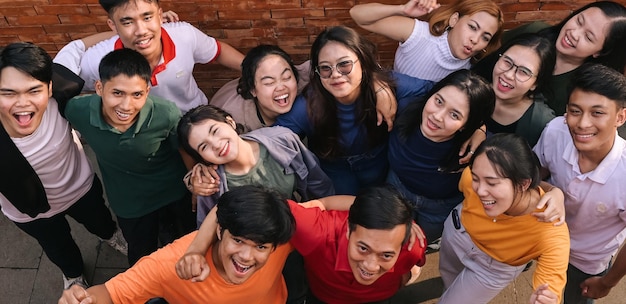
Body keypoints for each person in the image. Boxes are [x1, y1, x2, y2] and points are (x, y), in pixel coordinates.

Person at [0, 42, 126, 290]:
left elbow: (78, 46)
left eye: (33, 91)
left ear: (49, 88)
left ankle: (111, 236)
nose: (22, 103)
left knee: (101, 221)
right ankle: (74, 274)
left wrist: (125, 24)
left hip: (80, 188)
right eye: (8, 93)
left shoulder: (60, 95)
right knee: (57, 247)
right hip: (28, 212)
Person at [178, 185, 427, 303]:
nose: (371, 266)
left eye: (386, 256)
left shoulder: (413, 244)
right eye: (363, 248)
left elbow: (411, 266)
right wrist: (196, 251)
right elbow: (228, 205)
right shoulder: (315, 230)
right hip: (321, 298)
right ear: (349, 228)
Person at [61, 48, 195, 266]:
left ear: (147, 91)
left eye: (137, 95)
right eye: (117, 93)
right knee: (141, 256)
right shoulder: (78, 110)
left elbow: (184, 149)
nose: (126, 106)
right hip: (129, 202)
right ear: (99, 88)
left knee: (186, 246)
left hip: (174, 192)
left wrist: (194, 183)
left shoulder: (166, 114)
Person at [58, 185, 297, 304]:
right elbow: (112, 294)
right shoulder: (170, 264)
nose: (246, 256)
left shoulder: (278, 229)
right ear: (220, 230)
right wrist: (85, 300)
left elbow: (327, 207)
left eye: (261, 247)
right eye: (238, 241)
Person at [274, 25, 434, 195]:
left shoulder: (388, 84)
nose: (335, 74)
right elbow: (276, 138)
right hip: (335, 170)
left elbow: (438, 94)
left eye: (344, 64)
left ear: (362, 62)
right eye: (325, 68)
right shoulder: (309, 104)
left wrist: (379, 86)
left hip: (378, 162)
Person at [533, 63, 626, 304]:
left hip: (587, 262)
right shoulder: (555, 131)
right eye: (575, 111)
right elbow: (536, 172)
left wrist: (607, 282)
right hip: (543, 240)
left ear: (620, 117)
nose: (582, 124)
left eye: (597, 113)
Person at [439, 133, 569, 304]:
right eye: (476, 178)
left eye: (492, 183)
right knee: (448, 282)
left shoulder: (551, 231)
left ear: (524, 183)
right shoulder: (470, 178)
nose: (480, 190)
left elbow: (550, 286)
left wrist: (546, 298)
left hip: (492, 269)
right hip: (457, 233)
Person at [53, 0, 245, 114]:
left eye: (147, 17)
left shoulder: (184, 35)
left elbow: (218, 51)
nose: (141, 31)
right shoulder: (98, 59)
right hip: (147, 137)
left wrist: (254, 69)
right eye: (127, 22)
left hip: (195, 118)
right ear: (113, 26)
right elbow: (69, 88)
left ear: (160, 16)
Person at [387, 69, 495, 245]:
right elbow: (370, 71)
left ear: (467, 125)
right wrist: (380, 90)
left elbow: (523, 166)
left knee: (418, 245)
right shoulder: (406, 107)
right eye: (438, 101)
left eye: (454, 114)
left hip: (438, 208)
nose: (437, 116)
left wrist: (555, 193)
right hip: (396, 187)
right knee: (390, 239)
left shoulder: (477, 147)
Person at [473, 1, 626, 116]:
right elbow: (489, 52)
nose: (574, 33)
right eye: (579, 21)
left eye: (588, 37)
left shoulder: (583, 88)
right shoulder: (534, 31)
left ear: (600, 52)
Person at [350, 0, 503, 82]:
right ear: (454, 20)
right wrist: (402, 9)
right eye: (472, 27)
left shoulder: (475, 65)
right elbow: (358, 16)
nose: (475, 40)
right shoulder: (418, 34)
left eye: (485, 37)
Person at [473, 33, 556, 147]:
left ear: (535, 83)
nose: (509, 75)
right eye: (507, 62)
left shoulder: (540, 123)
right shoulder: (472, 86)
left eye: (523, 72)